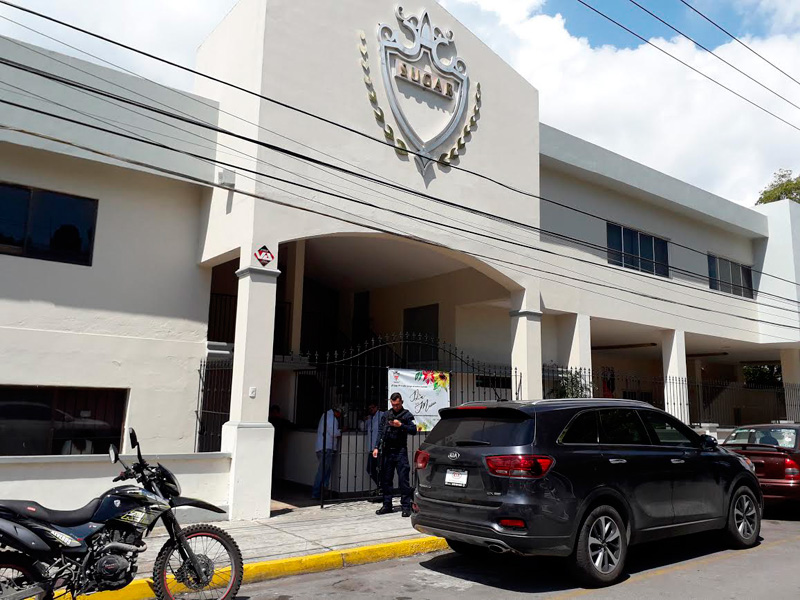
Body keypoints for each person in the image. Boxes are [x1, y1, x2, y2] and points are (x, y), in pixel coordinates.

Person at [373, 392, 417, 517]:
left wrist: (401, 425)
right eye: (393, 405)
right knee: (386, 479)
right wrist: (376, 447)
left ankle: (406, 506)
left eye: (397, 404)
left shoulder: (406, 414)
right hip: (387, 451)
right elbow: (380, 431)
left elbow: (413, 430)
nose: (395, 407)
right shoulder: (387, 414)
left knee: (403, 479)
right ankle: (387, 505)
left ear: (401, 402)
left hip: (400, 450)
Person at [312, 406, 342, 500]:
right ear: (337, 412)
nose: (339, 416)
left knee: (325, 472)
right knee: (323, 472)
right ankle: (316, 493)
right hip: (326, 448)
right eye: (340, 414)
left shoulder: (325, 416)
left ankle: (323, 493)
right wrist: (342, 430)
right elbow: (334, 433)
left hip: (322, 448)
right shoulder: (331, 418)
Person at [358, 402, 385, 490]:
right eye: (369, 408)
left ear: (377, 407)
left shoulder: (382, 415)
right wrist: (363, 420)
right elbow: (362, 428)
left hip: (379, 448)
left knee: (379, 469)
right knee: (370, 469)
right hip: (371, 448)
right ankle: (381, 487)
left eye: (372, 407)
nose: (371, 410)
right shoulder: (370, 418)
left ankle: (382, 487)